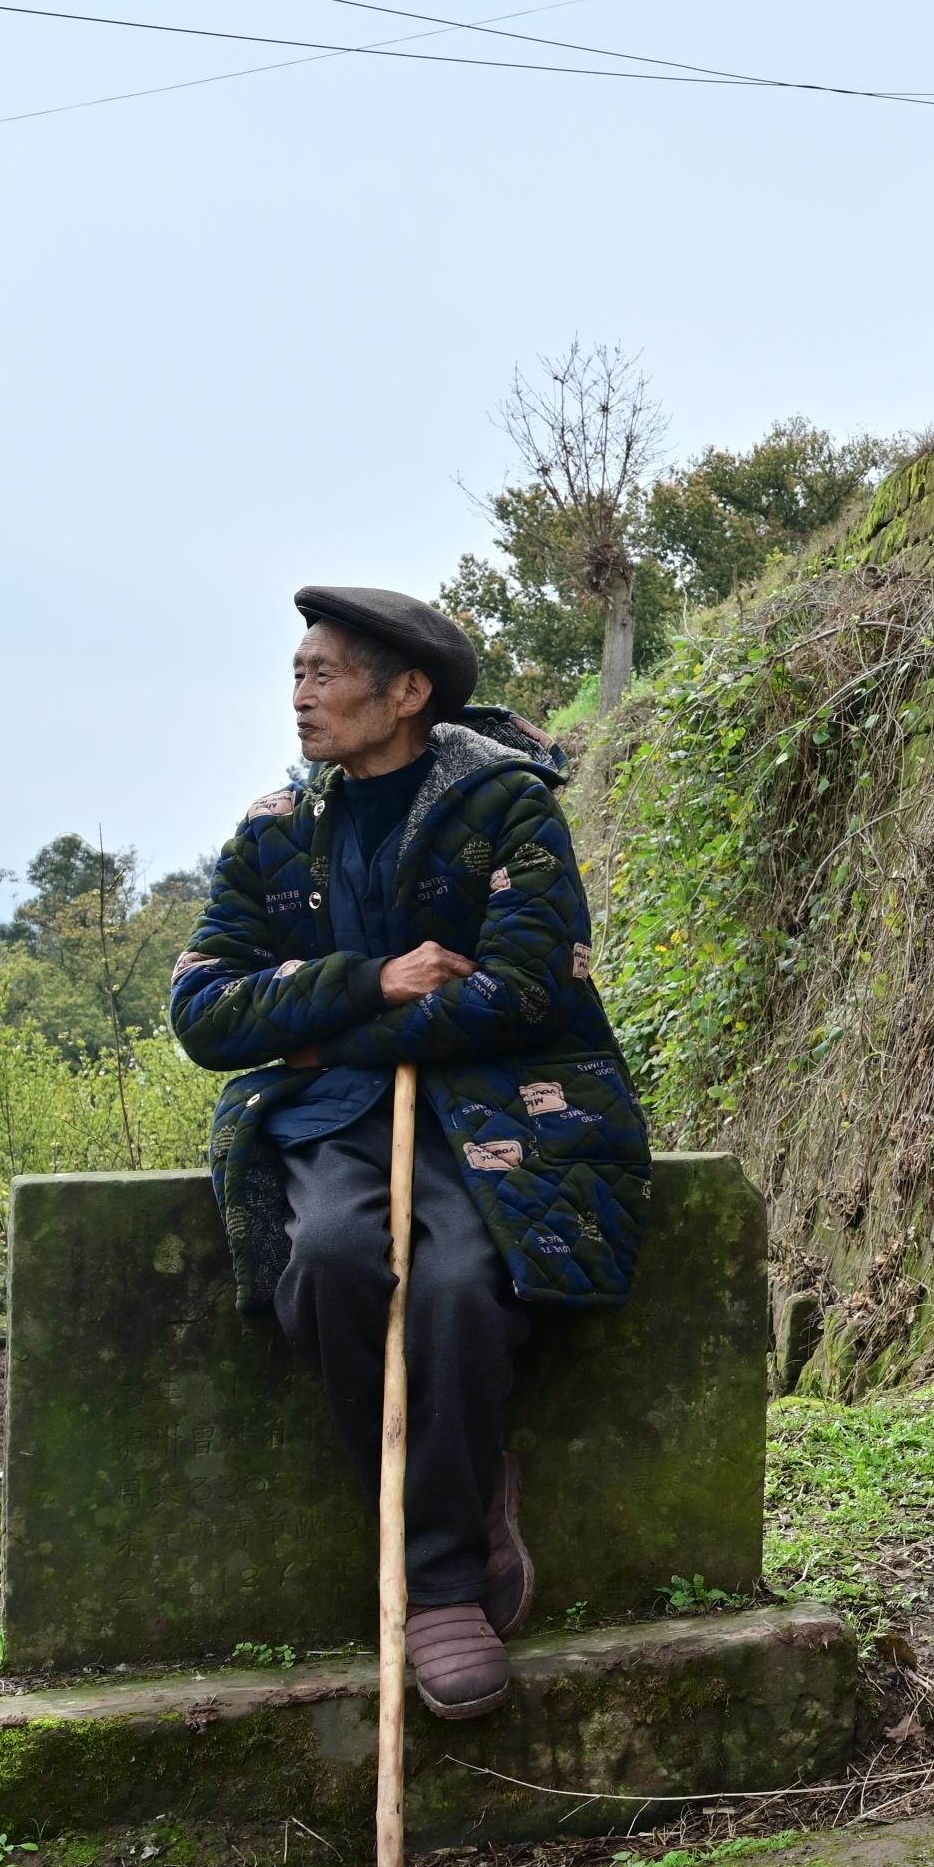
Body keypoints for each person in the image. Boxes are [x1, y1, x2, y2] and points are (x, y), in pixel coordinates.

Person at [170, 586, 652, 1718]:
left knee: (455, 1284)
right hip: (336, 1118)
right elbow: (202, 1011)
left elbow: (526, 992)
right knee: (334, 1257)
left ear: (408, 693)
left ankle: (436, 1584)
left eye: (326, 674)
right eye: (295, 672)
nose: (302, 696)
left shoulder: (508, 808)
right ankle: (471, 1488)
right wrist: (368, 987)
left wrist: (311, 1027)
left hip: (501, 1113)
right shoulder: (276, 826)